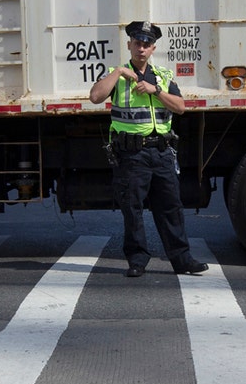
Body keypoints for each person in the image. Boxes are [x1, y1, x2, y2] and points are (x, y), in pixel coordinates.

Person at [88, 21, 208, 278]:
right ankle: (137, 260)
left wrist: (155, 91)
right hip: (132, 155)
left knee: (171, 208)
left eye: (146, 45)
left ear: (153, 48)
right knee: (132, 209)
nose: (141, 49)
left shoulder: (163, 76)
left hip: (162, 153)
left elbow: (180, 106)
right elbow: (96, 96)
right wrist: (119, 72)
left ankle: (182, 259)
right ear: (129, 45)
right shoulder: (116, 74)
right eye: (137, 43)